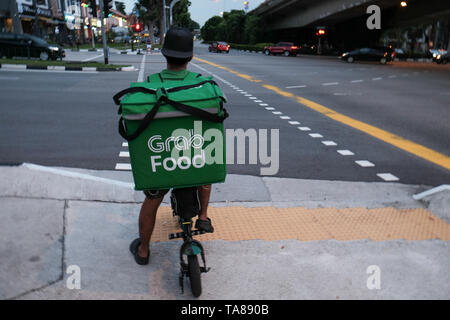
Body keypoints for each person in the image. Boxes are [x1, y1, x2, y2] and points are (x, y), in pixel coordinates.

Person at [129, 27, 215, 266]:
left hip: (163, 162)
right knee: (205, 170)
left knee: (152, 200)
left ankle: (144, 250)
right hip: (193, 160)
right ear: (191, 56)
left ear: (164, 55)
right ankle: (204, 216)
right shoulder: (203, 85)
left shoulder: (151, 84)